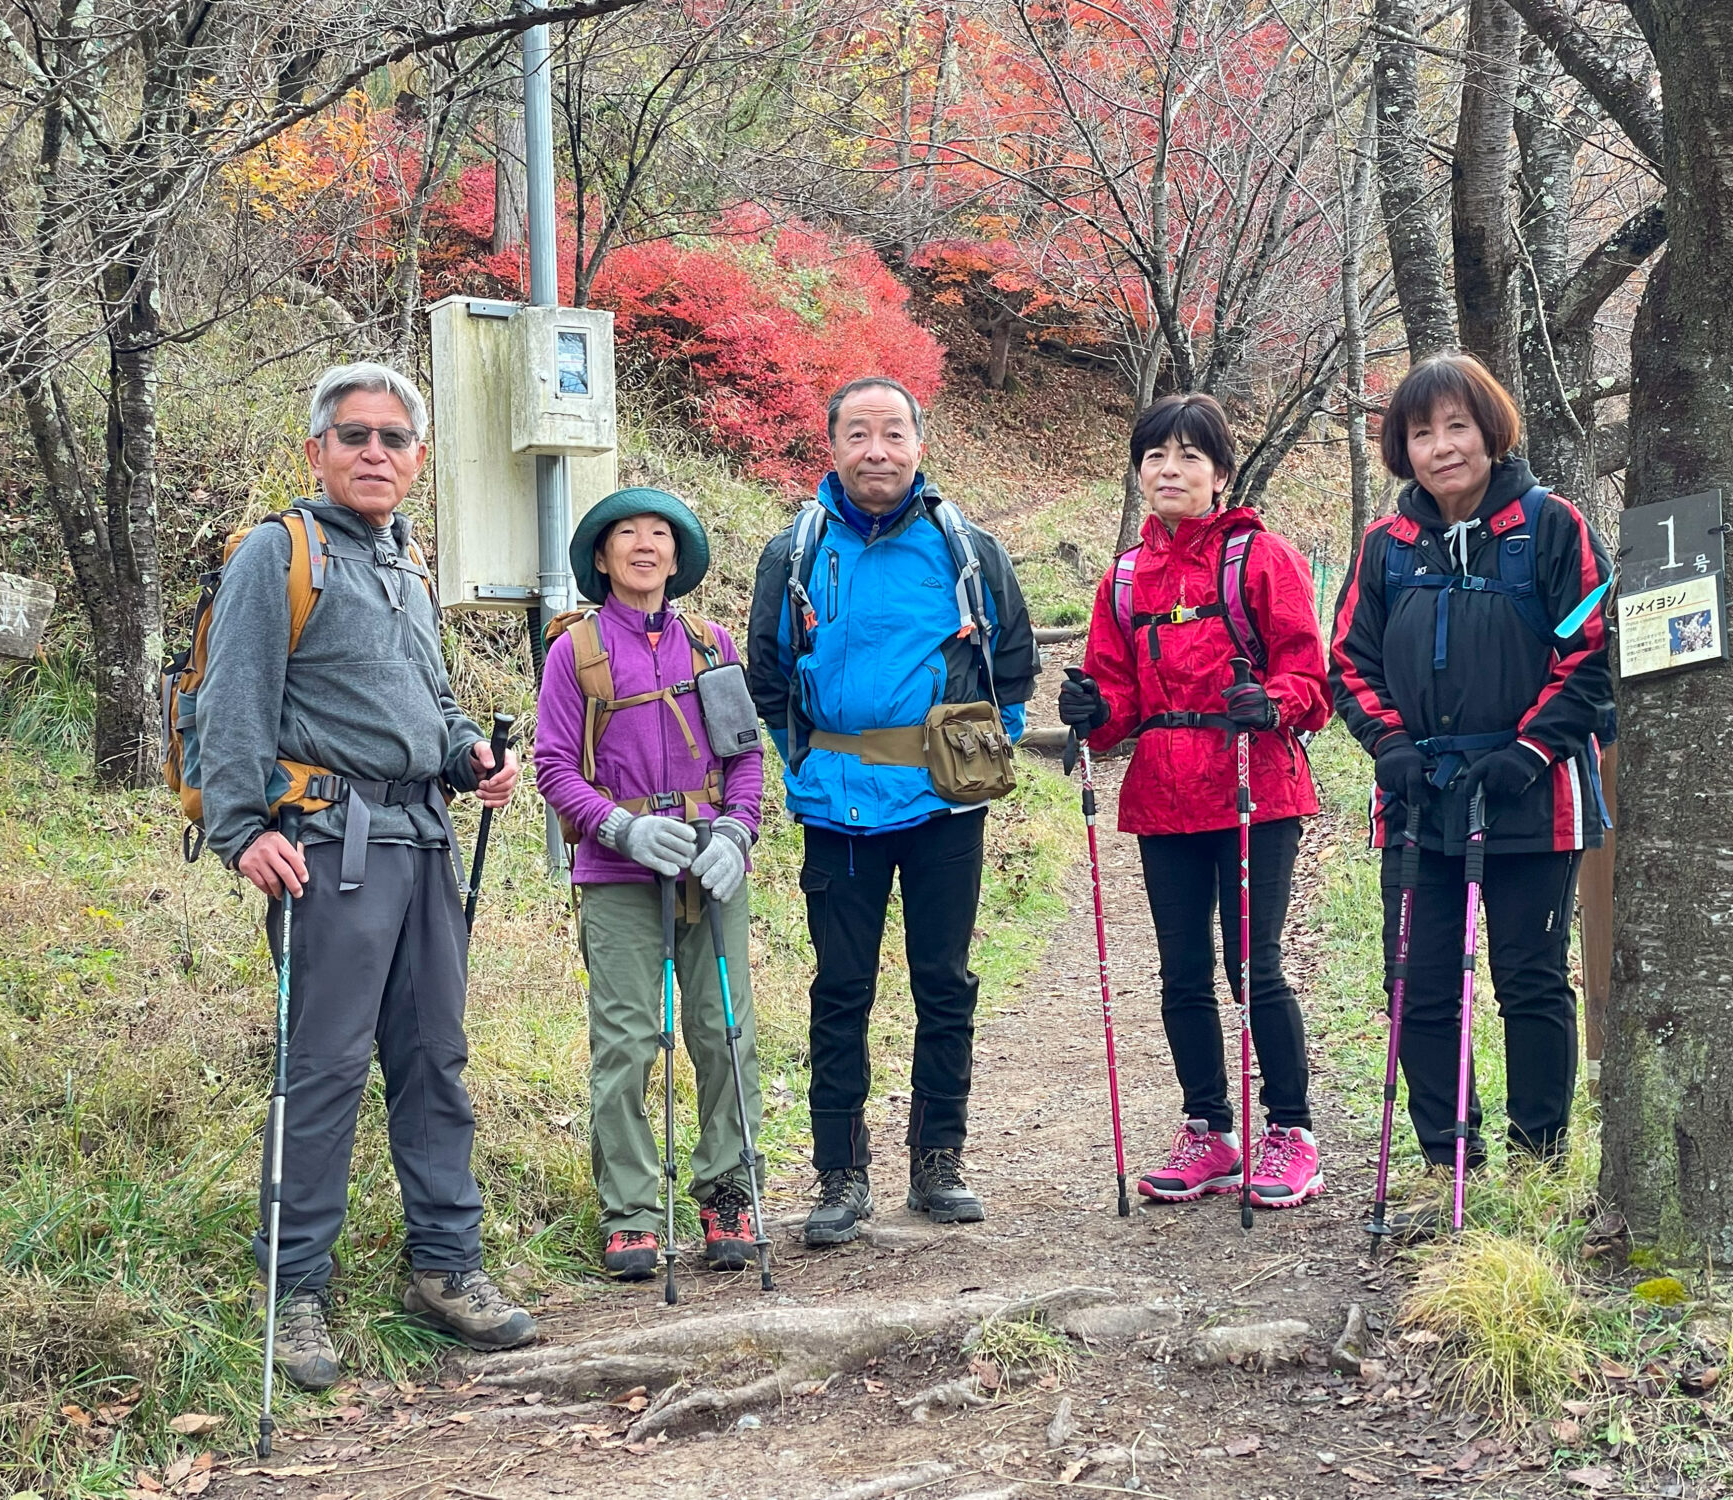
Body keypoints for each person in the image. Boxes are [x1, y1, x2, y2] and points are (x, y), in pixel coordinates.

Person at [197, 362, 536, 1392]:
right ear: (318, 450)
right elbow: (231, 701)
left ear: (418, 459)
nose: (374, 452)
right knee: (325, 1069)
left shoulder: (406, 561)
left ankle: (445, 1267)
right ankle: (294, 1286)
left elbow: (429, 701)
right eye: (354, 436)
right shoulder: (278, 552)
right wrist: (240, 831)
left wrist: (469, 752)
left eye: (394, 438)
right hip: (328, 849)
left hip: (424, 841)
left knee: (435, 1060)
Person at [747, 376, 1037, 1246]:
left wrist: (979, 754)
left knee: (943, 981)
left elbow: (1013, 667)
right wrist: (805, 761)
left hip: (944, 805)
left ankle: (938, 1158)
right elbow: (768, 675)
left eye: (893, 433)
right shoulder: (795, 552)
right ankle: (840, 1173)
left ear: (919, 444)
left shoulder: (967, 548)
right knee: (841, 989)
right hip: (835, 807)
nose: (877, 450)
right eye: (858, 434)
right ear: (832, 445)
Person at [1328, 352, 1613, 1212]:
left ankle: (1538, 1161)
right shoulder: (1386, 547)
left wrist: (1529, 752)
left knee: (1530, 978)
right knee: (1418, 981)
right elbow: (1349, 660)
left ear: (1491, 431)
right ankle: (1445, 1156)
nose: (1442, 447)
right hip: (1418, 794)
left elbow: (1590, 651)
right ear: (1402, 449)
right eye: (1422, 433)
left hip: (1533, 794)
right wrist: (1389, 744)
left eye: (1458, 426)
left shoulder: (1552, 526)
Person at [1057, 393, 1331, 1209]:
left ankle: (1291, 1131)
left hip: (1255, 786)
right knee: (1181, 972)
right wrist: (1090, 709)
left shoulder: (1262, 558)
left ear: (1221, 474)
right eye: (1155, 456)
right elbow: (1117, 702)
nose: (1169, 470)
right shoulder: (1125, 578)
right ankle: (1209, 1130)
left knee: (1255, 966)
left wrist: (1270, 701)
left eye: (1188, 456)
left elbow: (1309, 676)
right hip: (1164, 791)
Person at [531, 487, 766, 1281]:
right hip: (617, 872)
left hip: (711, 864)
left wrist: (737, 831)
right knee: (626, 1044)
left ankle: (728, 1194)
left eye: (659, 534)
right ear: (601, 558)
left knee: (724, 1032)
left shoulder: (712, 644)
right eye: (626, 533)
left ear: (677, 554)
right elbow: (554, 767)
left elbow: (744, 754)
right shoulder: (574, 652)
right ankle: (631, 1213)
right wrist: (618, 829)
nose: (643, 545)